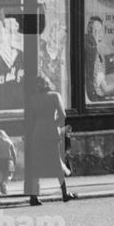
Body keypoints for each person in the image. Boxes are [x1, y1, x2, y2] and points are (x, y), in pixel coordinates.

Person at [25, 75, 72, 205]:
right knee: (57, 163)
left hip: (37, 134)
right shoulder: (55, 96)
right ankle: (64, 193)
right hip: (51, 133)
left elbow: (30, 119)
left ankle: (33, 197)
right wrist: (54, 124)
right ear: (48, 84)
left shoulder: (32, 99)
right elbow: (63, 115)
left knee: (36, 165)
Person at [84, 17, 114, 101]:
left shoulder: (96, 53)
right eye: (95, 30)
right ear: (89, 30)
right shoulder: (88, 44)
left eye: (99, 30)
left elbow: (104, 87)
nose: (98, 33)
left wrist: (113, 89)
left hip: (97, 94)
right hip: (92, 95)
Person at [0, 129, 17, 195]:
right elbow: (14, 153)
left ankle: (1, 184)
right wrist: (14, 161)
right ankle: (4, 183)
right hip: (8, 160)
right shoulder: (9, 142)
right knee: (9, 174)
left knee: (0, 175)